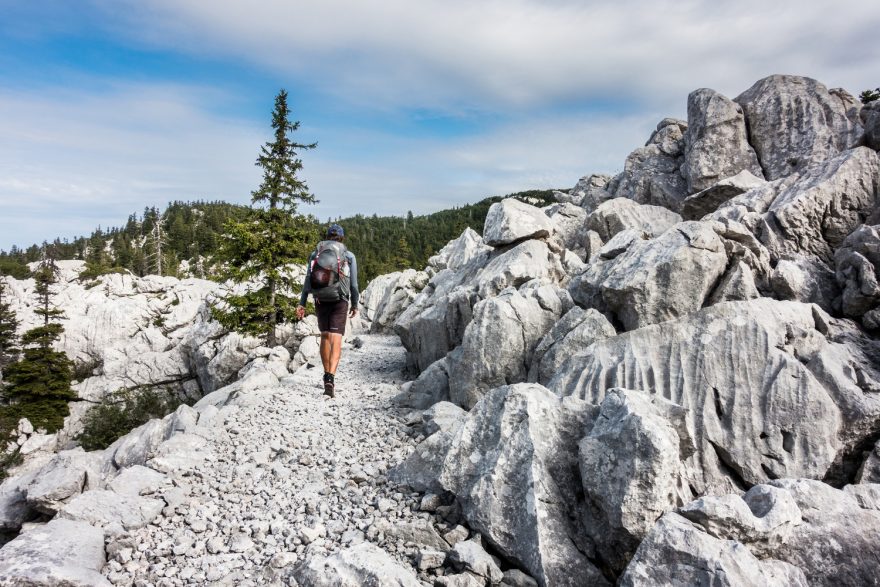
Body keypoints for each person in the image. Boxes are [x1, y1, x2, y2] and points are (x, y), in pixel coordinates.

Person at [296, 224, 359, 397]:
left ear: (326, 237)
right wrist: (355, 304)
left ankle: (325, 375)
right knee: (336, 338)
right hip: (340, 299)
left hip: (320, 299)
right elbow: (353, 284)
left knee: (324, 336)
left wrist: (302, 304)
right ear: (342, 238)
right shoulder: (348, 255)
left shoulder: (315, 254)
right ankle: (331, 377)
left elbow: (308, 281)